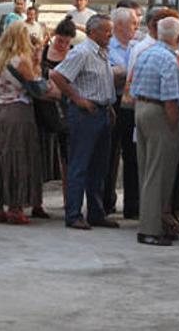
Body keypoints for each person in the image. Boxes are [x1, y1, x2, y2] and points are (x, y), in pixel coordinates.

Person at [0, 22, 58, 225]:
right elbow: (37, 88)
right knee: (19, 158)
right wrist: (40, 69)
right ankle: (16, 207)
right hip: (17, 112)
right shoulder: (21, 61)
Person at [50, 14, 119, 230]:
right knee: (80, 164)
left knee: (100, 166)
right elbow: (58, 75)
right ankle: (73, 213)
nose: (110, 34)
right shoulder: (82, 52)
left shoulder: (102, 53)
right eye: (107, 30)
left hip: (102, 111)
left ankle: (96, 212)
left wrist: (108, 105)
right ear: (93, 32)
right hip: (85, 115)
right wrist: (77, 99)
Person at [131, 17, 179, 246]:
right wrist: (174, 124)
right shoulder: (169, 59)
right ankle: (151, 229)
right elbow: (170, 98)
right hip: (159, 113)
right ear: (178, 37)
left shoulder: (147, 53)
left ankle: (152, 223)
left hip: (141, 108)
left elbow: (133, 84)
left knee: (147, 171)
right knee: (158, 173)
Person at [103, 7, 139, 217]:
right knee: (109, 153)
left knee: (132, 154)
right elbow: (109, 74)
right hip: (113, 101)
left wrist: (124, 72)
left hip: (132, 104)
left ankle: (132, 206)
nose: (136, 28)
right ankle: (106, 201)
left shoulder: (136, 46)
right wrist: (129, 71)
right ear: (118, 26)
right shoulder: (108, 47)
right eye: (132, 24)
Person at [37, 17, 76, 203]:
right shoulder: (44, 52)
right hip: (45, 107)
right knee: (42, 151)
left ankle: (68, 197)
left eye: (67, 42)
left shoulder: (74, 54)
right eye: (60, 40)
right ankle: (37, 199)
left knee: (67, 153)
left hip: (66, 106)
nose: (63, 45)